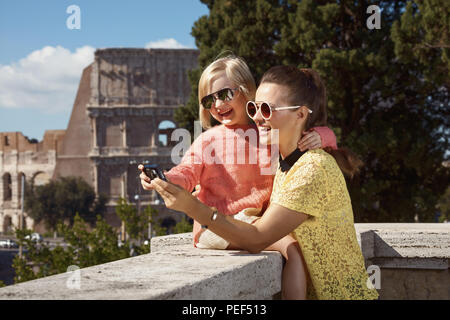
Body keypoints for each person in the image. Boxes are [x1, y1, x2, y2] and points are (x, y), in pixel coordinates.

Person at [148, 65, 379, 300]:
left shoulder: (311, 169)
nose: (257, 117)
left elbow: (257, 237)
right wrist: (168, 179)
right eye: (255, 108)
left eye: (267, 109)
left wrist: (190, 205)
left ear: (300, 115)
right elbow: (188, 169)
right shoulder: (283, 163)